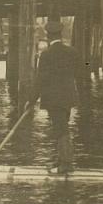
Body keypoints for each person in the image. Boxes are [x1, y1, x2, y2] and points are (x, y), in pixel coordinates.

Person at [32, 20, 83, 174]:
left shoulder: (46, 55)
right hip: (68, 97)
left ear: (48, 36)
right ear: (60, 35)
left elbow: (40, 79)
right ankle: (61, 160)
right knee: (62, 126)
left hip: (53, 98)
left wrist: (31, 100)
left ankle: (66, 164)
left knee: (60, 128)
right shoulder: (72, 52)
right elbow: (79, 73)